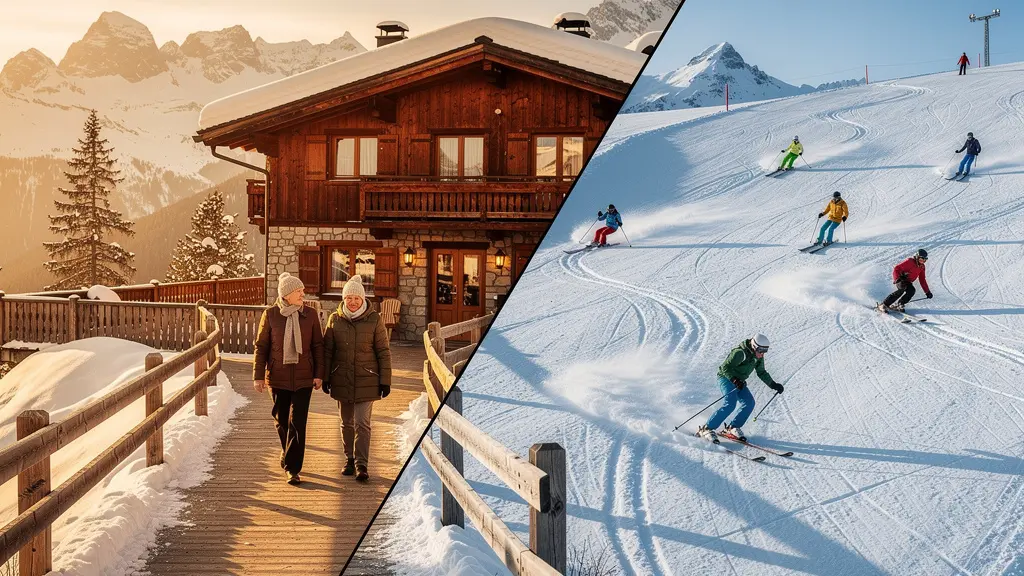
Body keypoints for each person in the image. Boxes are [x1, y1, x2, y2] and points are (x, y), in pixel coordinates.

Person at [253, 272, 324, 485]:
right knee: (281, 420)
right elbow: (261, 346)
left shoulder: (310, 314)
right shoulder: (271, 315)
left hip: (304, 378)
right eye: (298, 291)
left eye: (302, 290)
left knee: (298, 422)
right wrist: (258, 376)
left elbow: (318, 346)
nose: (303, 293)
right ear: (287, 295)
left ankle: (293, 468)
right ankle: (287, 453)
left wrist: (319, 374)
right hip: (277, 377)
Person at [323, 275, 392, 482]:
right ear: (343, 299)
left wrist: (385, 380)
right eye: (349, 298)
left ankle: (362, 464)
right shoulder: (334, 319)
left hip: (367, 378)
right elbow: (328, 351)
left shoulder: (374, 319)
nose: (353, 302)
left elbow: (383, 351)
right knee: (346, 422)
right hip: (341, 377)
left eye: (357, 298)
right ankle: (349, 460)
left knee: (362, 422)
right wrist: (326, 377)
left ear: (363, 299)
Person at [697, 334, 784, 443]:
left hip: (740, 381)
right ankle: (707, 429)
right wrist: (734, 380)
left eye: (765, 351)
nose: (762, 354)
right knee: (730, 404)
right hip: (726, 378)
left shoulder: (758, 357)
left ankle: (731, 428)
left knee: (749, 403)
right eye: (761, 350)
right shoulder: (740, 353)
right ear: (754, 346)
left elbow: (761, 372)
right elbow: (725, 367)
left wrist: (773, 385)